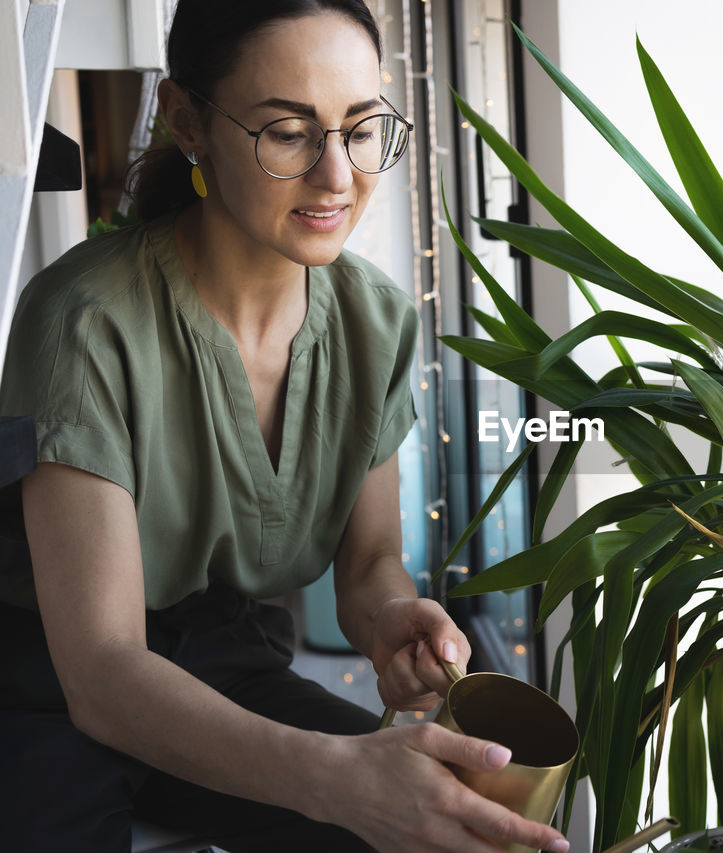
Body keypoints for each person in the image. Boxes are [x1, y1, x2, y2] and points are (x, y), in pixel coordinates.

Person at [0, 1, 571, 851]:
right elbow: (104, 673)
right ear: (187, 121)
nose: (337, 176)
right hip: (46, 683)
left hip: (229, 657)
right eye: (288, 133)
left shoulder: (376, 318)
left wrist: (388, 616)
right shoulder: (83, 321)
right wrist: (334, 780)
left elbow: (369, 560)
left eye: (361, 128)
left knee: (442, 825)